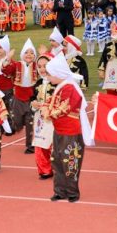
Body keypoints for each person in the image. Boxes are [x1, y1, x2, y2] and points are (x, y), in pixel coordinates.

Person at [44, 53, 90, 202]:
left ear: (58, 74)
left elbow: (63, 108)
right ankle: (60, 190)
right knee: (56, 160)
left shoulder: (69, 88)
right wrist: (45, 108)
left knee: (70, 161)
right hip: (59, 131)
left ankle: (72, 192)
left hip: (70, 132)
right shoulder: (60, 87)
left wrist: (48, 113)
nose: (48, 77)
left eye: (49, 74)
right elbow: (49, 102)